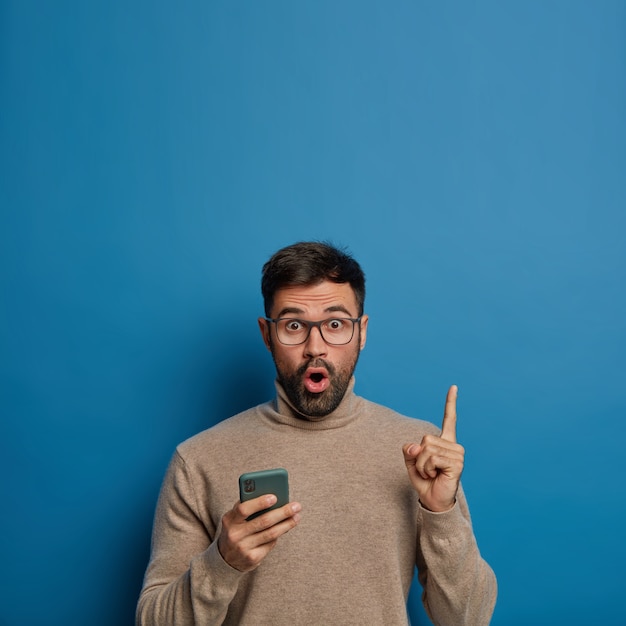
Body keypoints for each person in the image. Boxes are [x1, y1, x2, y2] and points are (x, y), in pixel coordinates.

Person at [136, 241, 497, 626]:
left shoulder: (421, 453)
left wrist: (441, 513)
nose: (315, 347)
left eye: (335, 324)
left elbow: (468, 618)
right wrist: (222, 562)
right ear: (266, 334)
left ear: (362, 332)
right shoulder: (199, 460)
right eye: (293, 325)